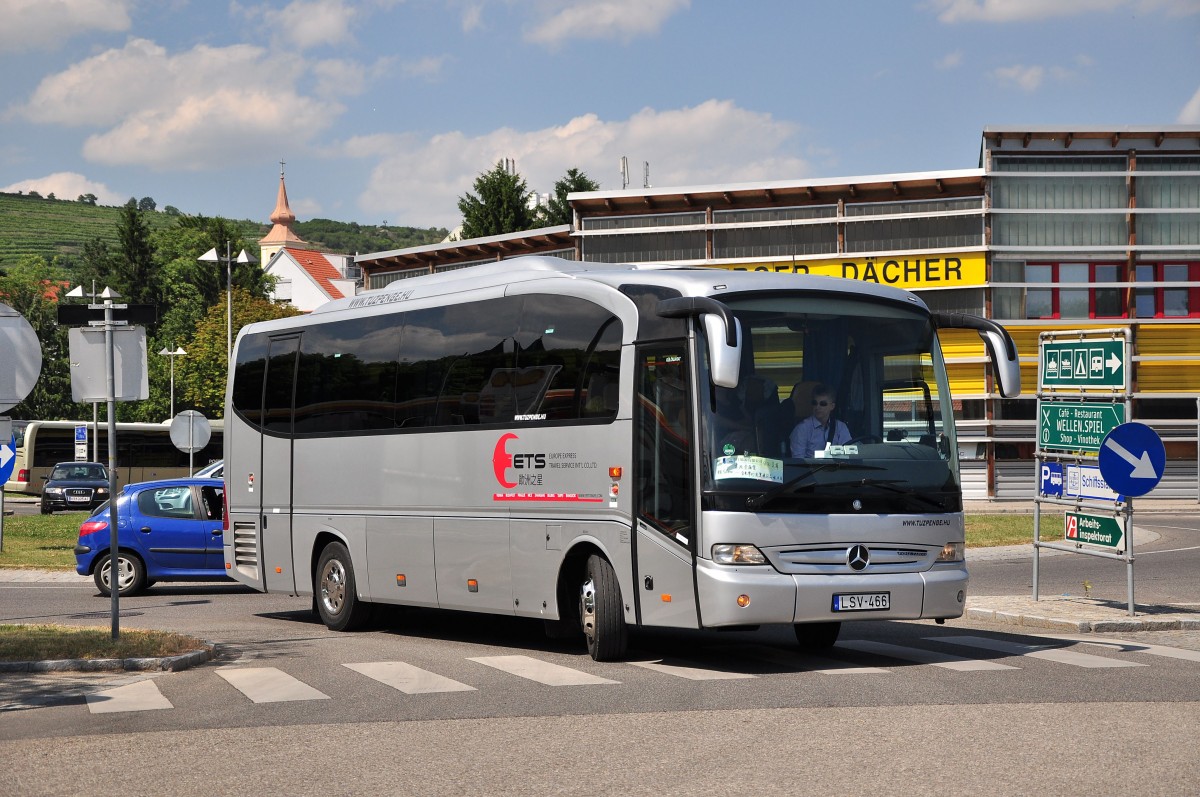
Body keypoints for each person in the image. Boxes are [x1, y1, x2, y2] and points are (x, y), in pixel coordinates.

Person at [789, 383, 850, 457]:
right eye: (815, 403)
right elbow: (798, 460)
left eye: (823, 404)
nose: (817, 407)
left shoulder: (841, 427)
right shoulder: (802, 429)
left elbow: (848, 455)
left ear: (832, 406)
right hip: (810, 468)